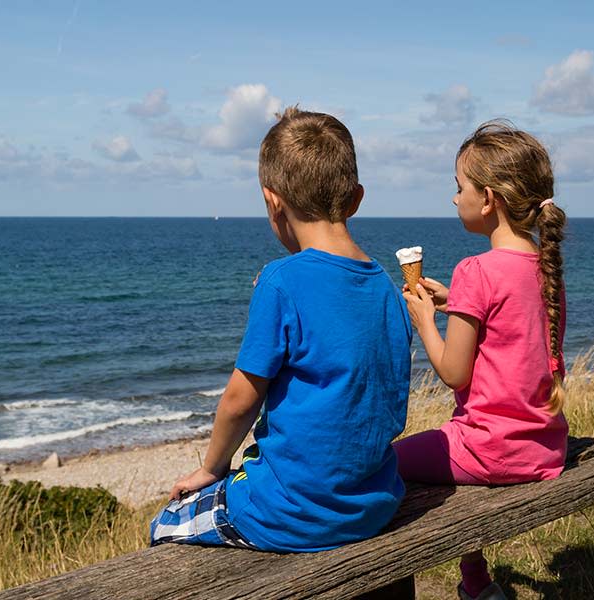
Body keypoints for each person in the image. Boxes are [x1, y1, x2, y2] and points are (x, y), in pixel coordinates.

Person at [149, 107, 413, 552]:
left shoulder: (280, 281)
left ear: (273, 202)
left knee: (164, 524)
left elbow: (240, 399)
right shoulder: (385, 285)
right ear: (356, 198)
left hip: (291, 514)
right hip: (373, 503)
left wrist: (213, 468)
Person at [398, 120, 569, 600]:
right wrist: (457, 302)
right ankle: (477, 584)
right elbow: (514, 327)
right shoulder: (546, 268)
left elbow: (454, 372)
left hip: (489, 450)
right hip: (545, 448)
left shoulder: (475, 269)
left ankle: (465, 583)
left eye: (460, 188)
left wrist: (426, 319)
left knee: (380, 464)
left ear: (488, 199)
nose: (455, 198)